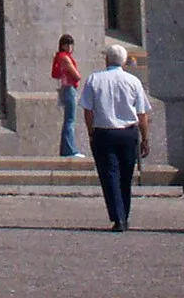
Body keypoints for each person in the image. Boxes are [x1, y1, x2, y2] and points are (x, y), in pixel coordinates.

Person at [78, 42, 151, 233]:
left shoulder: (94, 79)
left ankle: (118, 217)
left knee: (110, 175)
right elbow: (142, 113)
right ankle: (123, 215)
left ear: (106, 59)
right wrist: (145, 138)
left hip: (104, 132)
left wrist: (91, 131)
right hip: (128, 133)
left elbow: (88, 110)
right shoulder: (133, 81)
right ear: (124, 61)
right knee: (126, 176)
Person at [51, 35, 84, 157]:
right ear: (62, 45)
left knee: (69, 120)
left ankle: (66, 149)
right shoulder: (64, 57)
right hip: (69, 88)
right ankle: (70, 150)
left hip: (66, 88)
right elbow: (76, 75)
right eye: (67, 44)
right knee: (70, 121)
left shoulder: (60, 57)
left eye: (71, 44)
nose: (69, 47)